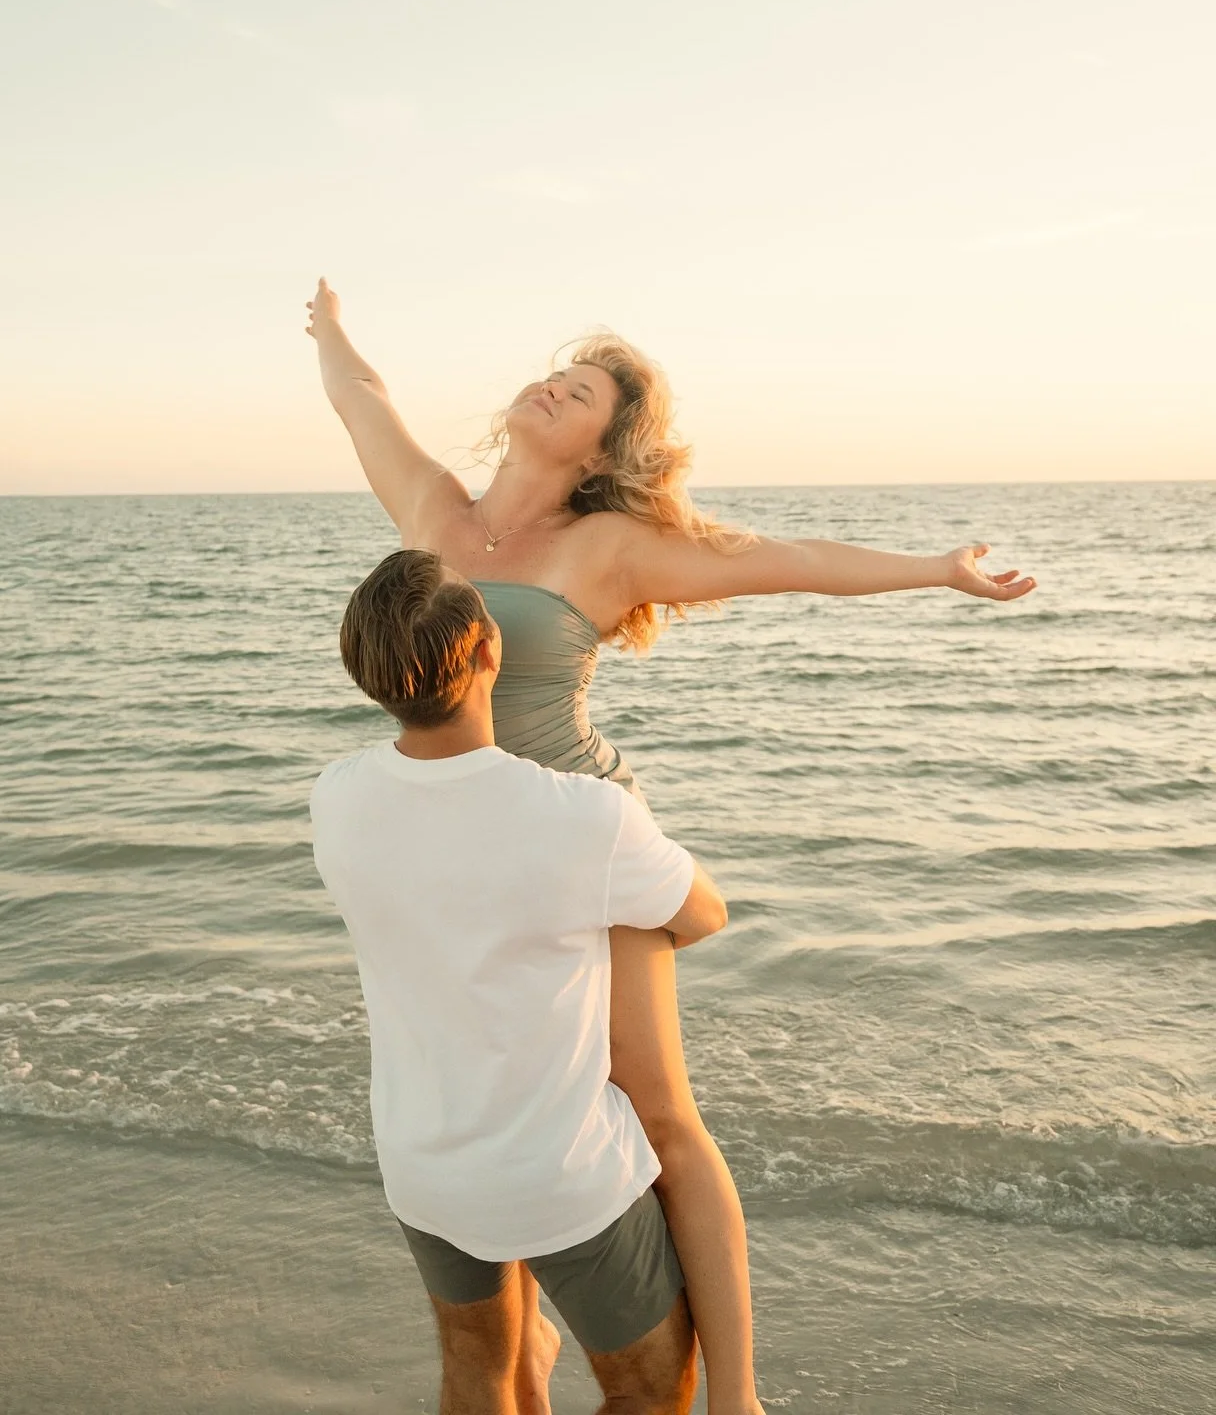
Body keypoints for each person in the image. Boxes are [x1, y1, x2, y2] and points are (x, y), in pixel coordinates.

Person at [306, 276, 1036, 1414]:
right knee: (484, 1087)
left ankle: (736, 1393)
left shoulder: (611, 544)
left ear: (603, 448)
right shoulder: (435, 513)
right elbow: (363, 404)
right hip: (461, 839)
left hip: (583, 845)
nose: (553, 382)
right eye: (554, 371)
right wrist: (331, 330)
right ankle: (517, 1334)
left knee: (654, 1108)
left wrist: (937, 571)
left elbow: (784, 558)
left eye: (582, 389)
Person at [311, 547, 737, 1415]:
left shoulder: (338, 798)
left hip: (423, 1162)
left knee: (480, 1366)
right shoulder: (581, 817)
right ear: (488, 651)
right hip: (559, 1176)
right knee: (653, 1388)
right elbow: (702, 914)